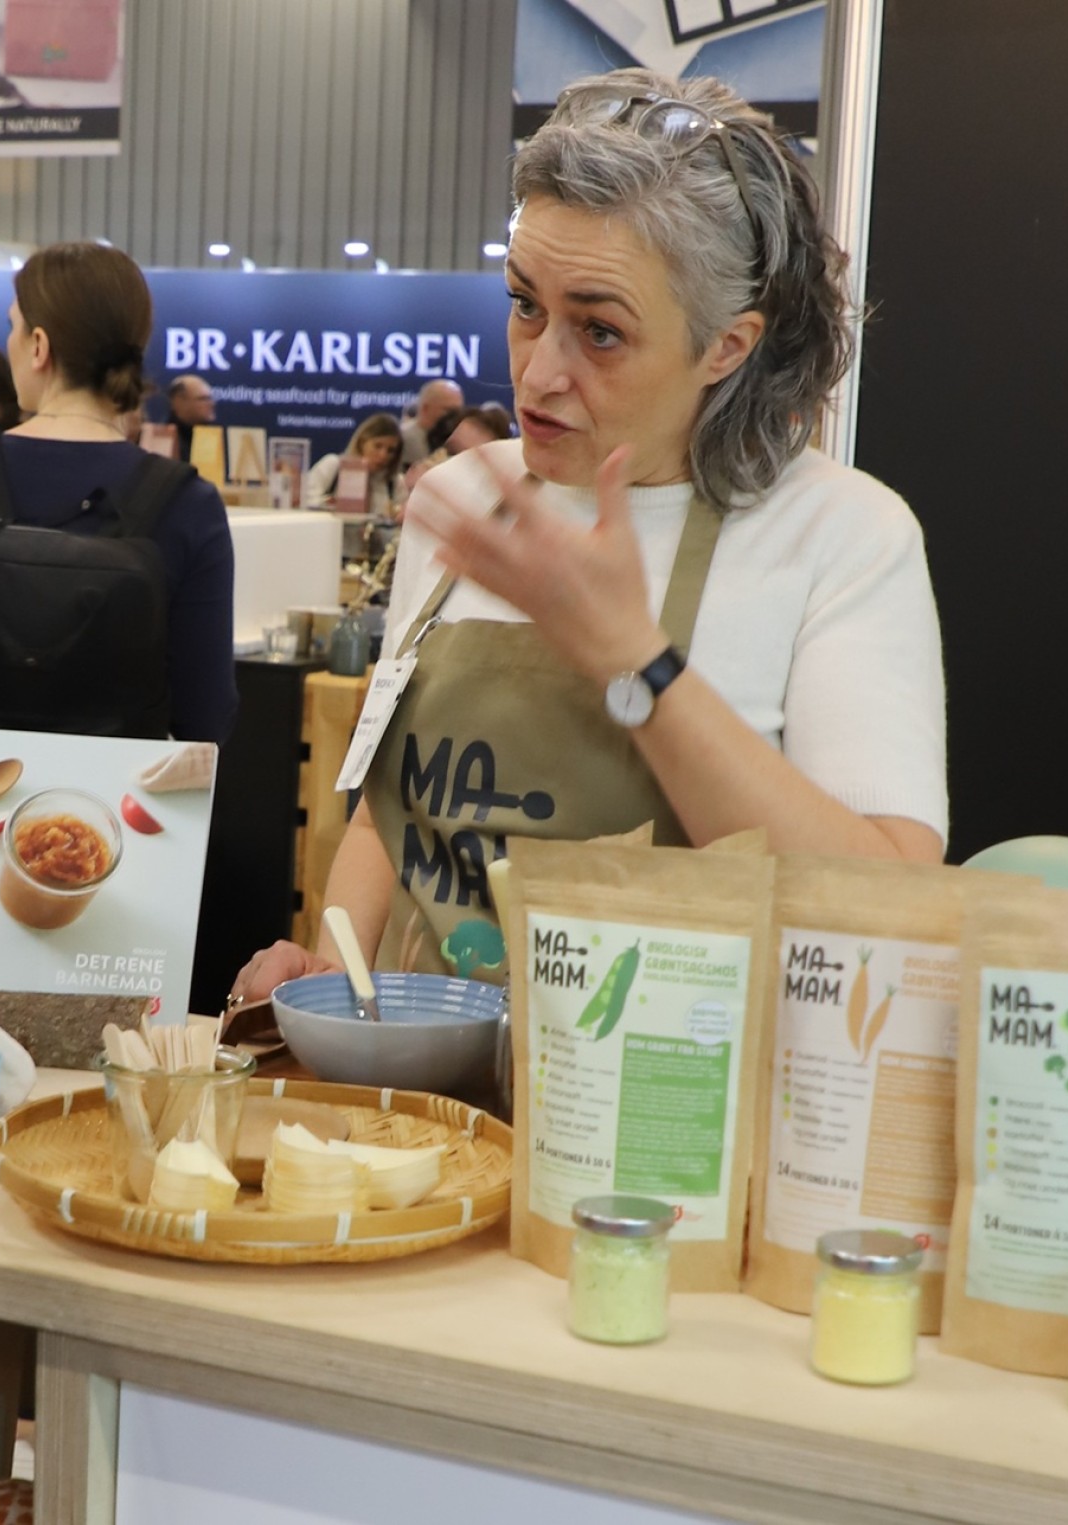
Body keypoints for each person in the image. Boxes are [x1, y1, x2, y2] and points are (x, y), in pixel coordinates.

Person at [229, 70, 947, 1003]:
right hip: (414, 1083)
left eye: (600, 332)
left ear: (727, 346)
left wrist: (635, 661)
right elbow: (388, 818)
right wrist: (335, 978)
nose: (536, 375)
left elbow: (887, 905)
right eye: (526, 304)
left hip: (672, 1085)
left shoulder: (839, 535)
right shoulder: (462, 496)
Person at [0, 243, 237, 742]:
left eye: (12, 325)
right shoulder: (188, 502)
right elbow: (205, 718)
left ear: (39, 345)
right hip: (112, 793)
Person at [305, 412, 405, 517]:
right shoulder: (333, 465)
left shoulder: (395, 483)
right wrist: (326, 504)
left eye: (391, 450)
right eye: (377, 446)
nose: (383, 455)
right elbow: (305, 499)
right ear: (362, 442)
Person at [398, 377, 464, 471]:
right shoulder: (401, 438)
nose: (454, 416)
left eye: (458, 411)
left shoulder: (460, 442)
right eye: (449, 410)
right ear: (426, 408)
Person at [166, 372, 216, 460]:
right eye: (203, 399)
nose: (212, 404)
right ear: (179, 402)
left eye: (210, 398)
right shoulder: (164, 440)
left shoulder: (215, 439)